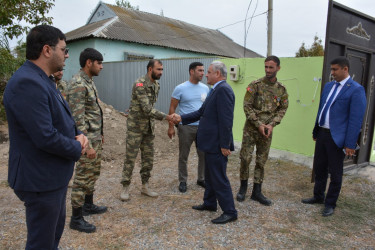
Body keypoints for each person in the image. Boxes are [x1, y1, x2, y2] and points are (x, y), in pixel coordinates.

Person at [3, 25, 88, 249]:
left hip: (52, 177)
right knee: (42, 243)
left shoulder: (43, 79)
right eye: (64, 49)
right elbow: (44, 136)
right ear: (47, 50)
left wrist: (78, 134)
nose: (67, 55)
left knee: (52, 238)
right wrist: (76, 147)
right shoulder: (27, 82)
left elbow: (61, 118)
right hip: (40, 179)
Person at [172, 61, 238, 224]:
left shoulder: (223, 90)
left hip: (217, 144)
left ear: (217, 74)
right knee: (209, 175)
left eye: (208, 72)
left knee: (218, 177)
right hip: (210, 142)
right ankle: (209, 203)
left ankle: (230, 211)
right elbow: (202, 112)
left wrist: (224, 144)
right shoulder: (215, 89)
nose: (206, 75)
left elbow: (226, 120)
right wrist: (182, 118)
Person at [302, 57, 366, 217]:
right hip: (323, 133)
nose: (332, 73)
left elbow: (355, 119)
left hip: (337, 138)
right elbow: (321, 109)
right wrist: (316, 130)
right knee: (319, 167)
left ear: (345, 69)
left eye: (335, 69)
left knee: (336, 173)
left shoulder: (356, 90)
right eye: (331, 69)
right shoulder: (329, 86)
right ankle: (318, 196)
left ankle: (330, 203)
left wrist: (350, 143)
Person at [236, 55, 288, 206]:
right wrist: (258, 124)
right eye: (266, 67)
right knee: (245, 158)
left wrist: (272, 124)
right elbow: (247, 105)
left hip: (267, 131)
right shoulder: (255, 85)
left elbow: (283, 108)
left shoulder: (281, 90)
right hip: (251, 129)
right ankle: (243, 188)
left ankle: (257, 192)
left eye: (271, 67)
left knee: (261, 161)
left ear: (278, 68)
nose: (268, 70)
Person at [120, 59, 174, 201]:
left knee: (148, 159)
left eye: (162, 70)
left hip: (149, 128)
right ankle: (125, 187)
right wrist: (167, 117)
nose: (161, 72)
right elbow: (146, 108)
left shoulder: (156, 85)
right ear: (150, 69)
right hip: (135, 128)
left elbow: (149, 107)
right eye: (158, 70)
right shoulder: (140, 84)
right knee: (130, 158)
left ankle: (145, 186)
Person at [66, 48, 107, 233]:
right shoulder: (78, 84)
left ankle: (88, 205)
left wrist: (100, 133)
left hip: (95, 137)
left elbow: (94, 111)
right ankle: (76, 218)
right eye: (99, 63)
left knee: (92, 173)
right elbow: (78, 119)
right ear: (89, 62)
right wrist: (88, 145)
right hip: (86, 141)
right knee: (82, 177)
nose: (102, 67)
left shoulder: (89, 81)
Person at [168, 62, 209, 193]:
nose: (203, 73)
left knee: (203, 155)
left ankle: (201, 179)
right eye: (200, 71)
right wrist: (171, 127)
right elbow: (172, 108)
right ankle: (183, 181)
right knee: (183, 155)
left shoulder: (205, 88)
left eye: (203, 71)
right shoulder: (180, 88)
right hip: (186, 127)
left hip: (202, 127)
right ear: (192, 71)